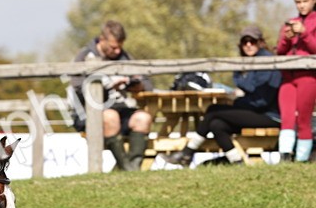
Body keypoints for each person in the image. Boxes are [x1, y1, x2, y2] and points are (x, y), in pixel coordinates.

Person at [163, 26, 281, 167]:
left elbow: (260, 99)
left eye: (252, 41)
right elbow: (248, 88)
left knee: (213, 110)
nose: (248, 45)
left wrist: (237, 99)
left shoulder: (265, 61)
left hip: (271, 115)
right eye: (245, 42)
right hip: (257, 110)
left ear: (260, 42)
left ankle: (187, 153)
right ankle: (237, 162)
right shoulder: (248, 62)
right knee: (216, 124)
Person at [68, 20, 154, 171]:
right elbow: (78, 89)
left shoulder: (125, 57)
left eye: (120, 47)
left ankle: (132, 169)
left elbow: (148, 84)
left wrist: (137, 85)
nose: (117, 51)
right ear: (102, 39)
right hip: (90, 113)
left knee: (143, 118)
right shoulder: (85, 56)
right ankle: (126, 169)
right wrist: (107, 87)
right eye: (113, 47)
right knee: (110, 116)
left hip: (121, 109)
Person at [275, 0, 316, 162]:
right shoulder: (292, 23)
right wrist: (286, 37)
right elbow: (280, 51)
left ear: (313, 0)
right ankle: (285, 156)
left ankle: (301, 158)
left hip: (308, 77)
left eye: (305, 1)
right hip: (288, 77)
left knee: (304, 120)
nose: (301, 5)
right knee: (287, 117)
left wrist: (305, 34)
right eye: (298, 2)